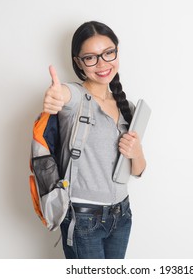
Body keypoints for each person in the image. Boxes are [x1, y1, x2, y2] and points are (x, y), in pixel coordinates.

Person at [42, 21, 146, 259]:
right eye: (90, 57)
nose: (102, 64)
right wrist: (54, 98)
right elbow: (63, 95)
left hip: (122, 214)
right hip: (83, 219)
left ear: (117, 52)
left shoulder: (126, 107)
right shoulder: (76, 98)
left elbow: (139, 171)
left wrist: (136, 152)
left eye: (109, 53)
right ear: (78, 62)